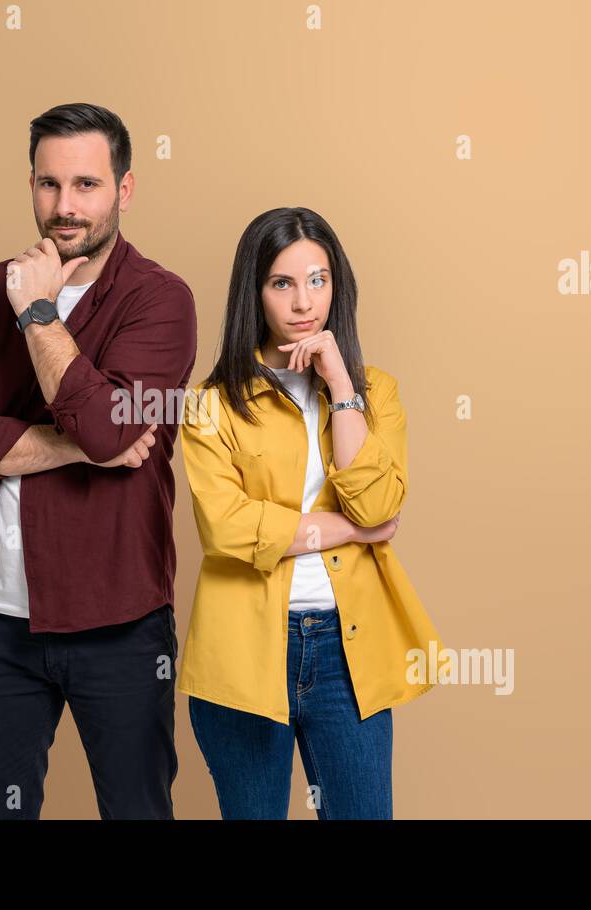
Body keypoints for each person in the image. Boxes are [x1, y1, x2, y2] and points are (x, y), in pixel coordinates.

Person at [0, 102, 198, 819]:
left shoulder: (162, 300)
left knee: (138, 809)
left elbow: (108, 428)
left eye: (86, 185)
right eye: (48, 185)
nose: (64, 207)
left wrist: (39, 314)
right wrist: (86, 448)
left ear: (124, 190)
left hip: (121, 620)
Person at [177, 206, 443, 819]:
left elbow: (378, 499)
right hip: (242, 652)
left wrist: (340, 384)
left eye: (318, 280)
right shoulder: (209, 404)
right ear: (256, 292)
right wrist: (351, 531)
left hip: (349, 652)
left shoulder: (374, 393)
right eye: (283, 283)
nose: (304, 302)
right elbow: (225, 528)